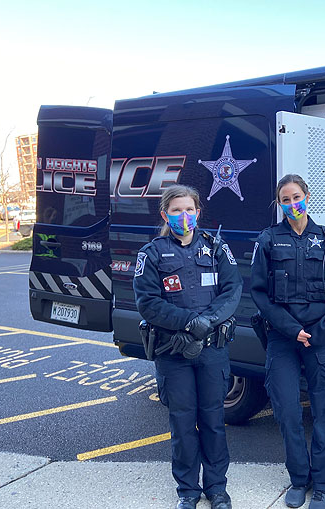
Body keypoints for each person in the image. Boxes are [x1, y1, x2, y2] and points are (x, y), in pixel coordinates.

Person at [133, 185, 242, 509]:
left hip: (211, 351)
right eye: (177, 210)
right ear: (165, 214)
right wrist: (187, 322)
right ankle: (188, 492)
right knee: (182, 425)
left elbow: (232, 290)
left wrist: (205, 322)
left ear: (198, 212)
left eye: (190, 209)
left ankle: (217, 489)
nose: (185, 216)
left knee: (212, 421)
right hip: (174, 354)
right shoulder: (151, 254)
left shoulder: (216, 247)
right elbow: (148, 303)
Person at [251, 174, 325, 509]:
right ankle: (299, 479)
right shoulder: (267, 240)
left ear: (308, 197)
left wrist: (322, 331)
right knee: (287, 413)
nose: (292, 205)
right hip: (283, 339)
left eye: (297, 198)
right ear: (278, 204)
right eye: (285, 200)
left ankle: (323, 484)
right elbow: (260, 294)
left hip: (320, 339)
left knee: (323, 412)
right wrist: (291, 329)